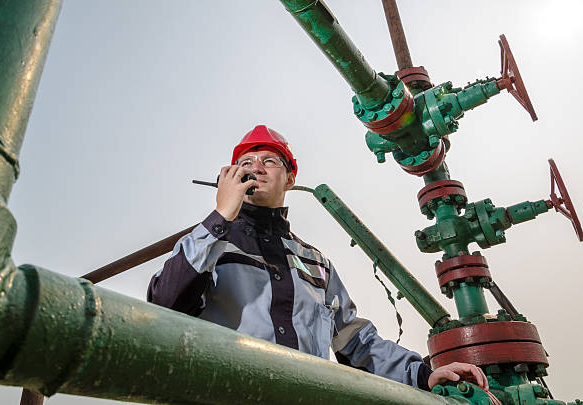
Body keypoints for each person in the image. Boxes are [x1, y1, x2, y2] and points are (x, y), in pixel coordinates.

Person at [147, 124, 488, 391]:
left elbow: (355, 341)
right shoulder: (209, 242)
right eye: (245, 163)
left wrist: (422, 374)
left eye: (269, 161)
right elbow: (166, 302)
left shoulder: (315, 263)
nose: (256, 168)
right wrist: (221, 216)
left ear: (290, 178)